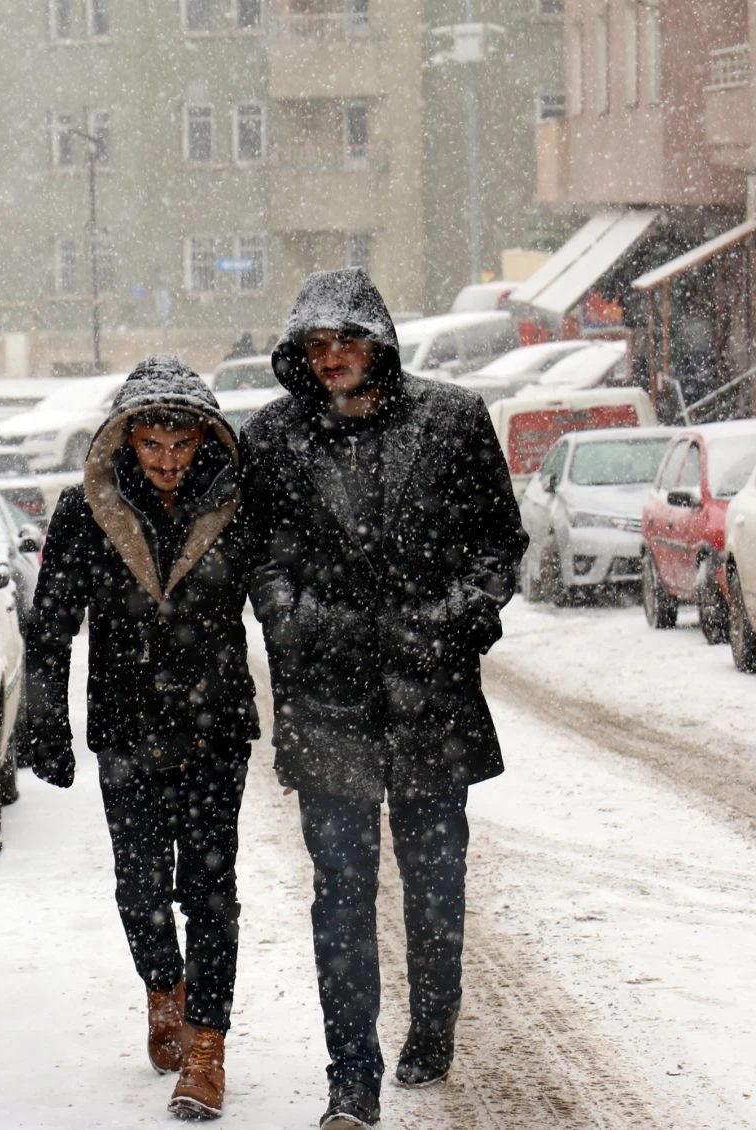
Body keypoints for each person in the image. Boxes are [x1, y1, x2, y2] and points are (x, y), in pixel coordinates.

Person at [238, 268, 527, 1130]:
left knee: (436, 884)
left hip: (431, 692)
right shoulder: (274, 440)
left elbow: (497, 543)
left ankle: (432, 1026)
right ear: (299, 354)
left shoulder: (452, 422)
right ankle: (351, 1075)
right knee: (342, 890)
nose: (333, 358)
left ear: (381, 342)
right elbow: (262, 556)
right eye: (317, 345)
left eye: (348, 340)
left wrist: (458, 619)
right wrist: (296, 620)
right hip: (326, 700)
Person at [24, 355, 258, 1121]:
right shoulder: (85, 511)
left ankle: (206, 1050)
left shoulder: (234, 508)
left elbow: (281, 612)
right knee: (140, 887)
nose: (165, 461)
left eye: (180, 445)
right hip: (125, 728)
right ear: (127, 442)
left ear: (202, 443)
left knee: (212, 892)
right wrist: (44, 721)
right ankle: (164, 989)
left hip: (216, 726)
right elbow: (50, 628)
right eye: (151, 445)